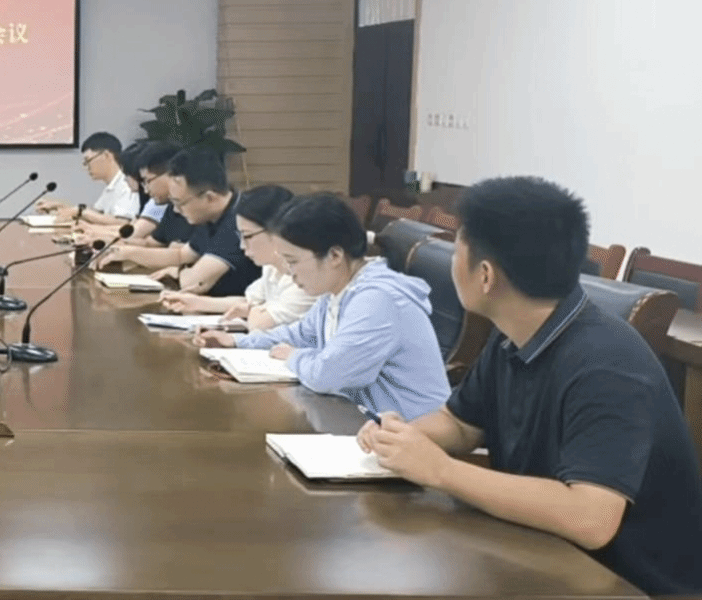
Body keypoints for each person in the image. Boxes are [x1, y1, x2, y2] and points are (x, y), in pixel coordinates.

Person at [357, 177, 702, 600]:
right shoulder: (520, 336)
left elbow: (593, 517)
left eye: (457, 247)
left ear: (484, 274)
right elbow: (460, 425)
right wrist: (394, 440)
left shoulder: (604, 362)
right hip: (557, 577)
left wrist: (441, 472)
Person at [195, 192, 449, 418]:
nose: (290, 273)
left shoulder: (377, 299)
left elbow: (328, 375)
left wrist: (295, 356)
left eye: (293, 262)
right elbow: (298, 334)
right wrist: (237, 342)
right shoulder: (337, 291)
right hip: (365, 423)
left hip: (414, 434)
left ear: (334, 255)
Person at [157, 184, 317, 328]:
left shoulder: (304, 275)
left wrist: (250, 310)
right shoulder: (272, 267)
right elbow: (247, 302)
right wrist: (196, 302)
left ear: (277, 232)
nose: (242, 246)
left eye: (247, 236)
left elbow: (260, 323)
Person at [105, 149, 258, 295]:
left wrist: (178, 272)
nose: (176, 210)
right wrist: (126, 253)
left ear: (210, 198)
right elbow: (181, 255)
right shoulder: (211, 215)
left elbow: (194, 282)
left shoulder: (241, 221)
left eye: (180, 203)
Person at [36, 132, 138, 226]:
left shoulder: (127, 184)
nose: (86, 167)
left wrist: (80, 211)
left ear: (106, 155)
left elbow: (122, 223)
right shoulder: (112, 185)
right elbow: (96, 215)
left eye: (88, 160)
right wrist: (60, 207)